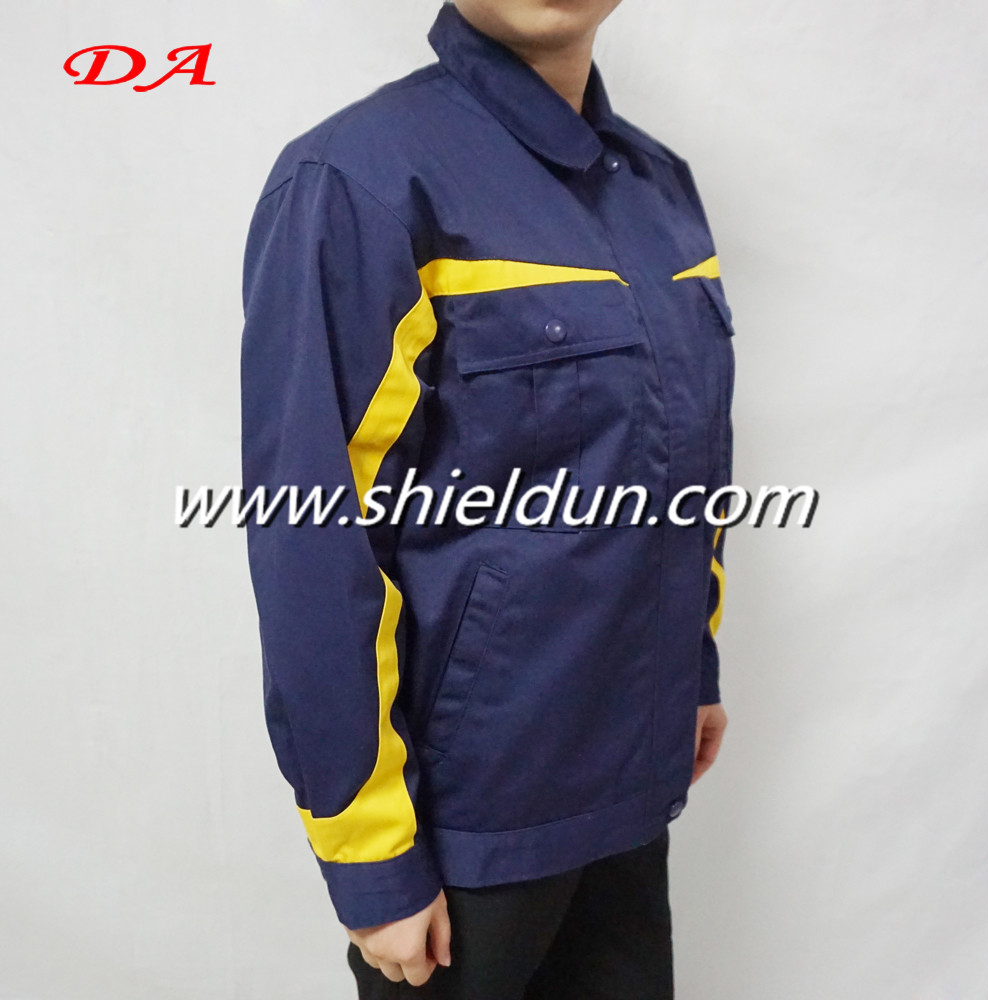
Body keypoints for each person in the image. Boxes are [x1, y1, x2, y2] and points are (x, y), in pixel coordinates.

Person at [239, 0, 734, 996]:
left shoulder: (657, 185)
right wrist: (371, 853)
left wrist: (692, 668)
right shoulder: (362, 178)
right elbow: (311, 538)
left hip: (634, 778)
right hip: (472, 817)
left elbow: (688, 461)